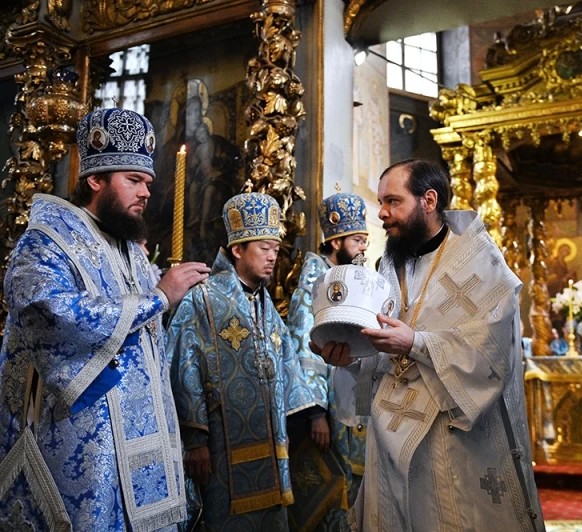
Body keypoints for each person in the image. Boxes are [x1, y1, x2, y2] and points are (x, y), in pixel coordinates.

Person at [0, 108, 211, 530]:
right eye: (133, 180)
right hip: (84, 441)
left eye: (148, 182)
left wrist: (176, 294)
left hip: (142, 434)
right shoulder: (47, 241)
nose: (146, 192)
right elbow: (51, 313)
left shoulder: (128, 248)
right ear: (95, 180)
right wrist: (158, 297)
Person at [314, 159, 544, 531]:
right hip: (389, 436)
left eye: (392, 202)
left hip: (451, 439)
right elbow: (379, 356)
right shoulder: (388, 264)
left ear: (429, 200)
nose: (383, 214)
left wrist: (416, 342)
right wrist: (348, 359)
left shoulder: (480, 263)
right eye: (381, 203)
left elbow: (492, 353)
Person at [168, 192, 316, 530]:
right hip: (220, 448)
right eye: (264, 249)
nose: (272, 258)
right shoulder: (203, 299)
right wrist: (195, 441)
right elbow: (183, 367)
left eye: (276, 250)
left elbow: (286, 361)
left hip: (270, 441)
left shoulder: (266, 306)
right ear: (237, 250)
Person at [285, 191, 370, 523]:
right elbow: (302, 349)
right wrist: (317, 413)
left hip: (357, 400)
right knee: (333, 489)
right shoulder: (314, 285)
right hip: (330, 408)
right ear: (336, 243)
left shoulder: (357, 282)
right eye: (358, 240)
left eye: (365, 240)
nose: (363, 247)